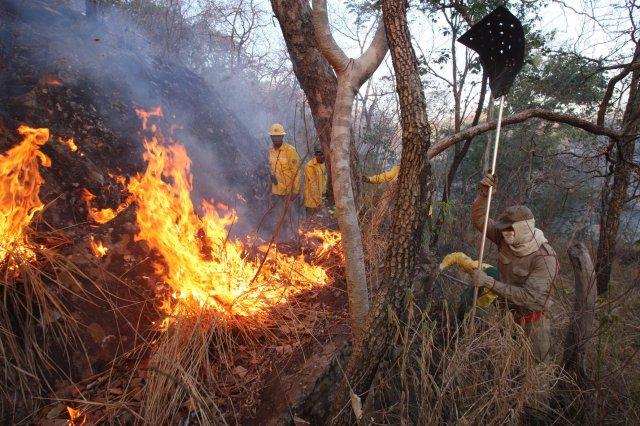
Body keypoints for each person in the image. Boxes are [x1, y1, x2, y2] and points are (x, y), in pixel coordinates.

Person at [468, 173, 558, 363]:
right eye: (503, 229)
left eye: (511, 229)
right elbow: (479, 220)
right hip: (506, 318)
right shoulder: (503, 238)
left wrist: (489, 283)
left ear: (524, 228)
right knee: (505, 366)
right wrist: (484, 196)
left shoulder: (544, 257)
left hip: (533, 324)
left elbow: (528, 296)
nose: (505, 233)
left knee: (535, 371)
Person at [267, 123, 301, 240]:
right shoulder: (270, 150)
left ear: (282, 137)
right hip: (276, 191)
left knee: (290, 215)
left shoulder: (290, 151)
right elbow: (271, 167)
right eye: (274, 136)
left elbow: (296, 171)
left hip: (289, 191)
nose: (276, 138)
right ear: (271, 137)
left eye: (279, 136)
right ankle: (281, 239)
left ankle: (293, 238)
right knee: (279, 215)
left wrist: (295, 191)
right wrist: (271, 177)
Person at [303, 146, 328, 216]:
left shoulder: (323, 164)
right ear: (317, 155)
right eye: (322, 155)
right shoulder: (310, 166)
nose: (324, 157)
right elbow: (312, 185)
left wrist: (323, 196)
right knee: (311, 223)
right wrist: (319, 201)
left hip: (320, 198)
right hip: (312, 202)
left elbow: (324, 180)